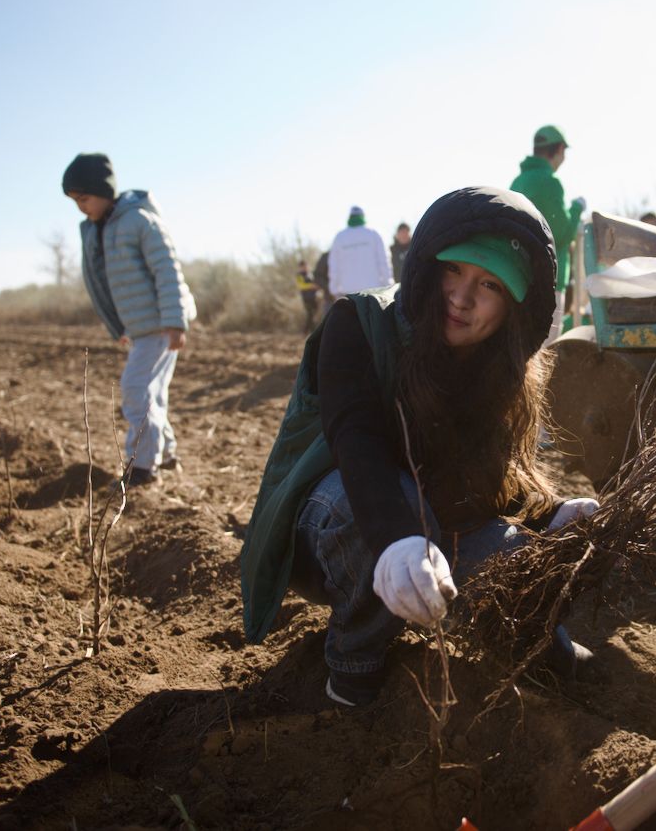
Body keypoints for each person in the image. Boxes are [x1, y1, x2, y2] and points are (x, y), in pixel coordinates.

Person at [239, 186, 599, 706]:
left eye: (489, 284)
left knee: (517, 560)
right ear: (430, 266)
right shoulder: (358, 322)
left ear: (514, 306)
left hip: (424, 523)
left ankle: (538, 654)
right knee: (388, 506)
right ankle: (353, 669)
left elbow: (483, 479)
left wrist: (551, 513)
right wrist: (397, 539)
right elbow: (356, 439)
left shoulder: (497, 367)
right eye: (454, 270)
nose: (461, 297)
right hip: (328, 524)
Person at [62, 152, 197, 487]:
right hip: (142, 327)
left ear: (103, 191)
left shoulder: (138, 220)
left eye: (84, 199)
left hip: (161, 324)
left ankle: (142, 467)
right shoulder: (100, 229)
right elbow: (105, 283)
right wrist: (121, 327)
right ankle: (166, 455)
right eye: (75, 201)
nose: (80, 207)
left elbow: (167, 270)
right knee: (153, 393)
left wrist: (175, 322)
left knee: (135, 389)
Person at [510, 124, 586, 344]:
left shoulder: (518, 182)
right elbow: (561, 234)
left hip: (517, 280)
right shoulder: (550, 182)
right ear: (560, 149)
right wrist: (577, 208)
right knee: (542, 352)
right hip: (547, 282)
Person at [326, 206, 392, 298]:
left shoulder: (339, 237)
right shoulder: (373, 234)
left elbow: (334, 266)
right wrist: (388, 285)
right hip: (373, 292)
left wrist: (334, 289)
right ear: (363, 216)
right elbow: (383, 262)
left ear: (350, 217)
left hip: (348, 293)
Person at [294, 260, 320, 335]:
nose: (305, 268)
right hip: (306, 298)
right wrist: (311, 286)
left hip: (314, 297)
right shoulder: (299, 275)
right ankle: (309, 331)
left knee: (313, 313)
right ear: (300, 267)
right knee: (310, 313)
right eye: (303, 266)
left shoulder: (310, 274)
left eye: (306, 266)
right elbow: (300, 286)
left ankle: (307, 331)